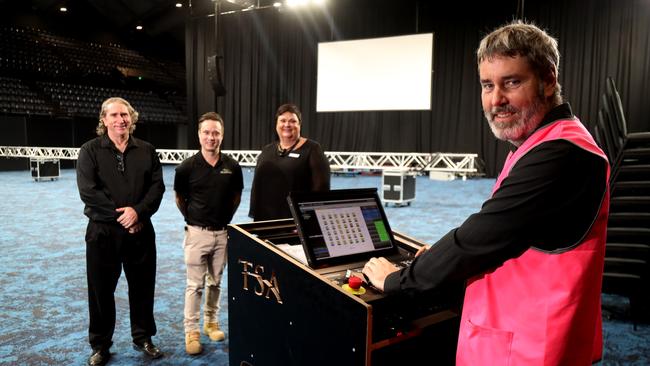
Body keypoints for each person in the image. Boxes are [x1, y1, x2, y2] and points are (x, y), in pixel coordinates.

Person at [362, 21, 610, 365]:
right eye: (487, 85)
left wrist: (395, 280)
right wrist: (438, 257)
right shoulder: (543, 143)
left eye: (512, 82)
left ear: (549, 79)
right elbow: (505, 232)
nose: (496, 100)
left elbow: (482, 238)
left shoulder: (562, 153)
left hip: (531, 348)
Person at [77, 97, 165, 366]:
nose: (120, 120)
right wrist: (124, 217)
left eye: (125, 115)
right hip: (103, 234)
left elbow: (157, 188)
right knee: (100, 291)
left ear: (132, 118)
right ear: (104, 120)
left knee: (142, 288)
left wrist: (138, 212)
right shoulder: (89, 150)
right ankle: (101, 345)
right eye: (114, 115)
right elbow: (88, 192)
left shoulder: (147, 150)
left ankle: (143, 338)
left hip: (141, 231)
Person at [174, 112, 243, 355]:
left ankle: (210, 323)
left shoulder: (232, 167)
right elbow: (179, 198)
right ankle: (191, 331)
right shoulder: (186, 168)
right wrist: (194, 220)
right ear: (199, 135)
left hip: (222, 234)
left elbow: (236, 197)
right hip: (196, 234)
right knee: (194, 285)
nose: (211, 137)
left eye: (216, 133)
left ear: (222, 136)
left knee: (216, 282)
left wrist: (224, 220)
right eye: (206, 132)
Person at [249, 103, 330, 221]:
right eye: (282, 120)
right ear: (277, 124)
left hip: (295, 223)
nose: (287, 124)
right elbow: (257, 187)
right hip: (265, 220)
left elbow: (321, 190)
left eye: (292, 121)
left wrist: (308, 220)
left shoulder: (312, 150)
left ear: (299, 124)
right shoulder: (267, 150)